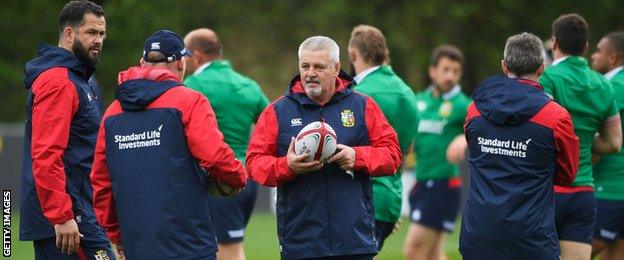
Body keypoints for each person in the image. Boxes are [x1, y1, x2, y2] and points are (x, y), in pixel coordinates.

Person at [90, 30, 247, 259]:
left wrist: (115, 234)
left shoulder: (112, 112)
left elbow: (101, 181)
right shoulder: (189, 101)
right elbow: (214, 156)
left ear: (143, 63)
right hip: (188, 243)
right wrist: (239, 176)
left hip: (137, 243)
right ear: (181, 64)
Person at [246, 36, 402, 259]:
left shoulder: (362, 106)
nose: (310, 73)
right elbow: (254, 163)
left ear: (336, 68)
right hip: (301, 242)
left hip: (354, 241)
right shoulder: (277, 111)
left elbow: (393, 155)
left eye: (319, 67)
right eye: (305, 66)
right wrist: (287, 166)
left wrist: (356, 157)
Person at [460, 32, 579, 259]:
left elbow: (476, 154)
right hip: (532, 239)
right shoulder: (556, 117)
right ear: (542, 68)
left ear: (504, 67)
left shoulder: (475, 110)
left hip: (479, 235)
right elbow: (567, 175)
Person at [19, 1, 114, 259]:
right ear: (69, 34)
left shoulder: (77, 79)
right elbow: (47, 154)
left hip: (77, 210)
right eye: (91, 33)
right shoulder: (59, 82)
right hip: (69, 219)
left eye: (102, 34)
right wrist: (62, 216)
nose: (98, 40)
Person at [538, 14, 622, 260]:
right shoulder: (603, 85)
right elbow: (614, 142)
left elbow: (539, 129)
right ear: (585, 47)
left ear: (554, 42)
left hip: (548, 188)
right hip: (583, 190)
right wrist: (581, 143)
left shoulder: (547, 78)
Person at [183, 28, 270, 260]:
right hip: (247, 180)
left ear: (197, 56)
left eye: (185, 54)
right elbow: (272, 124)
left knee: (227, 252)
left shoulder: (191, 87)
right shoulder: (249, 85)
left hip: (217, 182)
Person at [347, 24, 419, 251]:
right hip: (390, 199)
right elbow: (403, 151)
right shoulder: (408, 93)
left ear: (352, 54)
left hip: (360, 199)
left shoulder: (357, 94)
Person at [404, 45, 470, 260]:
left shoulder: (464, 105)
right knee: (433, 254)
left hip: (442, 183)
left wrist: (464, 137)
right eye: (445, 69)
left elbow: (483, 131)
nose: (450, 76)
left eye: (455, 71)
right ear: (432, 71)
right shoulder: (420, 100)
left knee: (414, 251)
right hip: (421, 181)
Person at [590, 31, 624, 259]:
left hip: (611, 186)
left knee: (574, 251)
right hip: (616, 185)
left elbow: (589, 126)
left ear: (612, 57)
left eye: (598, 51)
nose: (592, 56)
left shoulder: (613, 85)